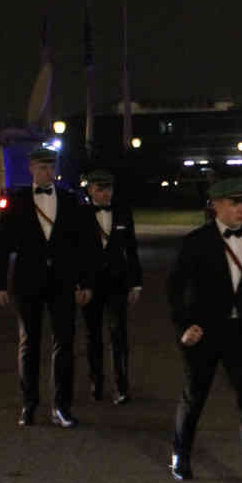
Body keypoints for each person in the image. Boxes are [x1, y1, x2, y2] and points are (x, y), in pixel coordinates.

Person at [166, 178, 242, 483]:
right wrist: (185, 326)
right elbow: (174, 288)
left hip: (240, 335)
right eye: (233, 203)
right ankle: (180, 453)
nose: (241, 209)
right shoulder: (196, 242)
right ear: (216, 206)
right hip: (204, 333)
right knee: (194, 397)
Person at [0, 148, 96, 428]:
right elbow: (1, 245)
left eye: (51, 167)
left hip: (62, 281)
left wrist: (85, 282)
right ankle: (29, 404)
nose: (47, 172)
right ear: (31, 169)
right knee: (29, 343)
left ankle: (61, 407)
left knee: (65, 343)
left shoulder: (69, 201)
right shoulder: (17, 201)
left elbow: (83, 245)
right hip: (28, 280)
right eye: (42, 167)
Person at [81, 169, 142, 405]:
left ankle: (121, 386)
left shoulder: (123, 212)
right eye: (100, 189)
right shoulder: (80, 214)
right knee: (93, 336)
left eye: (109, 189)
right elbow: (74, 253)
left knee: (119, 335)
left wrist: (136, 283)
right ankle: (96, 382)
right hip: (91, 285)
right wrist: (79, 284)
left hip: (117, 282)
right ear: (90, 190)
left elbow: (132, 249)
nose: (106, 193)